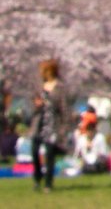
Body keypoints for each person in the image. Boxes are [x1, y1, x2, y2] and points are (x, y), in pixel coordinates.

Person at [31, 58, 69, 193]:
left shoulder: (60, 88)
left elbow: (64, 109)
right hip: (39, 123)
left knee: (49, 155)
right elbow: (33, 105)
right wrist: (36, 105)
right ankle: (37, 176)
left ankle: (48, 183)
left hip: (53, 124)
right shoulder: (39, 87)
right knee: (35, 151)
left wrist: (63, 129)